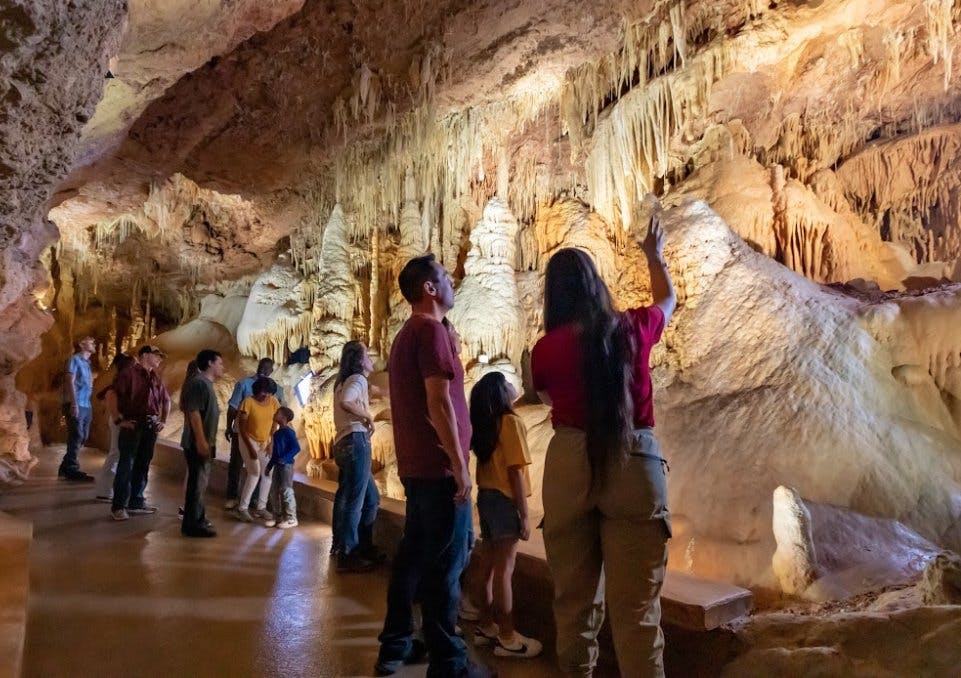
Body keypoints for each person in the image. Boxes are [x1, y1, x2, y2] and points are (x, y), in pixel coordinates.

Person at [531, 211, 677, 677]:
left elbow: (549, 398)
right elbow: (668, 301)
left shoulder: (545, 350)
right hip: (633, 458)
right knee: (637, 616)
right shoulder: (632, 328)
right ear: (596, 287)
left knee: (574, 608)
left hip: (570, 462)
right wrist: (654, 257)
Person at [375, 254, 492, 678]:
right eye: (445, 277)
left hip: (417, 468)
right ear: (429, 288)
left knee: (413, 557)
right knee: (447, 566)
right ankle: (449, 664)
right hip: (439, 468)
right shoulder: (430, 333)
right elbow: (439, 402)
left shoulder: (411, 334)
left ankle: (398, 643)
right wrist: (460, 464)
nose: (452, 282)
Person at [468, 372, 541, 659]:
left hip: (486, 496)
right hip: (503, 499)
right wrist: (524, 514)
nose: (514, 385)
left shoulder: (487, 426)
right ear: (500, 392)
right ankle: (508, 637)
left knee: (486, 566)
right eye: (508, 382)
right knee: (504, 570)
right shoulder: (510, 422)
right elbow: (515, 471)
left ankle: (487, 625)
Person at [331, 340, 384, 572]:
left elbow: (369, 392)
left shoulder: (341, 381)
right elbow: (347, 402)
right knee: (356, 499)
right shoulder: (357, 379)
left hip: (342, 443)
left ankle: (352, 544)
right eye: (367, 354)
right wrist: (368, 417)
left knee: (367, 498)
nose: (371, 357)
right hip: (356, 440)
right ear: (359, 359)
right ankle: (349, 552)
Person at [111, 345, 171, 521]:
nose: (159, 358)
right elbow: (112, 395)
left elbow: (165, 399)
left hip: (150, 426)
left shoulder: (155, 377)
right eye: (156, 355)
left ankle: (136, 501)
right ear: (145, 355)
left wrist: (163, 420)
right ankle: (119, 505)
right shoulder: (129, 374)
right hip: (134, 424)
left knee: (143, 464)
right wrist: (118, 420)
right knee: (126, 464)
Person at [224, 358, 284, 510]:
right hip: (242, 432)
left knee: (260, 469)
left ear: (271, 371)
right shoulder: (244, 384)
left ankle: (255, 500)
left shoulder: (276, 390)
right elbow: (233, 408)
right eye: (262, 367)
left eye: (267, 368)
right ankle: (233, 496)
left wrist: (274, 437)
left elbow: (279, 415)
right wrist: (229, 426)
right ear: (258, 367)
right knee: (237, 464)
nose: (264, 370)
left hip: (263, 436)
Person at [180, 350, 224, 538]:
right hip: (198, 442)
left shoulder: (205, 384)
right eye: (220, 363)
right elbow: (194, 413)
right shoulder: (199, 383)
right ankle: (192, 524)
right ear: (209, 363)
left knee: (200, 482)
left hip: (204, 441)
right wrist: (200, 440)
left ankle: (198, 517)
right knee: (197, 483)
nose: (223, 367)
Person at [235, 376, 281, 524]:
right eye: (265, 392)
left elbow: (275, 422)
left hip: (265, 441)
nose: (267, 396)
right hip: (248, 439)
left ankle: (261, 507)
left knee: (268, 472)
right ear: (258, 390)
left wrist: (271, 442)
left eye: (269, 393)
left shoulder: (273, 402)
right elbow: (241, 428)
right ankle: (243, 508)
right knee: (254, 472)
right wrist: (250, 449)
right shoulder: (248, 402)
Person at [94, 353, 135, 501]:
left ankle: (107, 488)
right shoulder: (118, 383)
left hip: (118, 419)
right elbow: (106, 396)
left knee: (116, 453)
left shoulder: (121, 381)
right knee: (115, 453)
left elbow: (101, 396)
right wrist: (117, 416)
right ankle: (104, 490)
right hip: (118, 419)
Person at [60, 336, 97, 481]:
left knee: (83, 436)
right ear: (82, 345)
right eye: (90, 341)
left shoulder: (87, 363)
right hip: (76, 403)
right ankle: (71, 469)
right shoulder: (74, 359)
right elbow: (70, 380)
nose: (94, 343)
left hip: (86, 404)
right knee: (77, 435)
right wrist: (74, 403)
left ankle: (65, 466)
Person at [265, 407, 300, 529]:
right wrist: (269, 466)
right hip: (277, 466)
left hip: (286, 466)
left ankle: (291, 518)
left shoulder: (289, 433)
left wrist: (285, 458)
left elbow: (296, 448)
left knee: (286, 490)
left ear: (284, 418)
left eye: (277, 413)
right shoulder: (277, 434)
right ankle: (277, 516)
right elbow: (274, 453)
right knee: (274, 491)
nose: (274, 414)